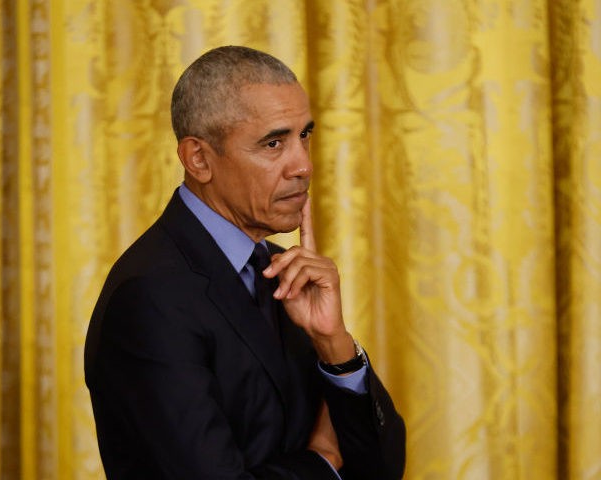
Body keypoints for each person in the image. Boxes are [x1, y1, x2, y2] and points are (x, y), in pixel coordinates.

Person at [84, 45, 405, 479]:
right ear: (199, 159)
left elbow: (383, 469)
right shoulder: (149, 296)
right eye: (274, 143)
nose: (304, 166)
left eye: (304, 135)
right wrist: (323, 461)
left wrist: (334, 346)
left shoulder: (281, 271)